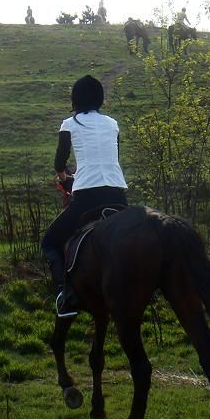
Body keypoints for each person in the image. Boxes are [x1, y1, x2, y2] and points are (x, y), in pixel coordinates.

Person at [41, 75, 128, 317]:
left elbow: (60, 163)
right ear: (100, 98)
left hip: (87, 197)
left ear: (75, 99)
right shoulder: (112, 124)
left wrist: (64, 179)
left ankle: (65, 295)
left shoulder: (70, 124)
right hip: (118, 194)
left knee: (49, 242)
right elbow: (112, 159)